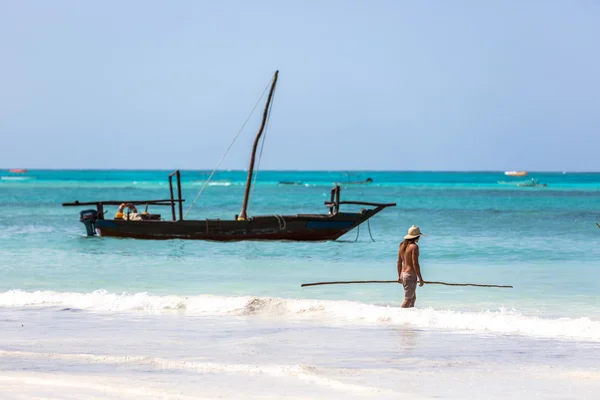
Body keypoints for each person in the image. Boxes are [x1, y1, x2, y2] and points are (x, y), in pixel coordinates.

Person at [397, 225, 426, 308]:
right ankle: (400, 315)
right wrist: (420, 278)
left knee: (412, 298)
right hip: (410, 275)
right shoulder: (414, 247)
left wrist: (399, 276)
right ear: (417, 236)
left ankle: (409, 316)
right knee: (408, 299)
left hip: (403, 274)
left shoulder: (402, 245)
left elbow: (399, 262)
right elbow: (415, 264)